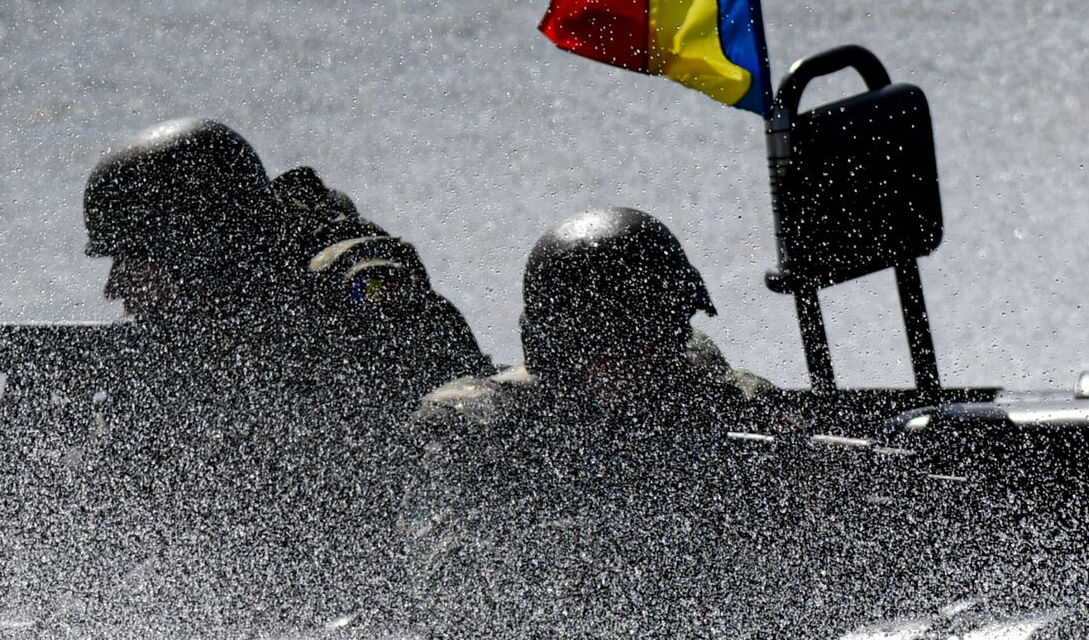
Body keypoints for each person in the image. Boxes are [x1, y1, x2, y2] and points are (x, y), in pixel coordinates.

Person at [87, 116, 491, 414]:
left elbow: (445, 431)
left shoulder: (350, 309)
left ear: (197, 251)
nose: (114, 288)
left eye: (132, 260)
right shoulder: (198, 334)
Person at [409, 208, 781, 449]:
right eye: (609, 350)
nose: (633, 363)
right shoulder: (479, 429)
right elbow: (443, 559)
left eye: (649, 340)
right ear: (559, 349)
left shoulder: (734, 407)